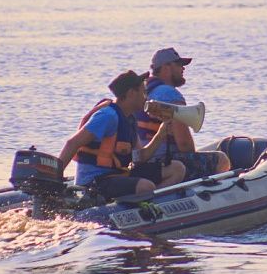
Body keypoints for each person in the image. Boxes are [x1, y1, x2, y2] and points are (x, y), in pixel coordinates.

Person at [57, 70, 186, 199]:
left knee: (177, 169)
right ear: (131, 93)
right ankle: (145, 200)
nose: (146, 97)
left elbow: (141, 157)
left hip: (119, 174)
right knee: (145, 186)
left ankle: (149, 201)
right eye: (143, 92)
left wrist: (161, 134)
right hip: (95, 181)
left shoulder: (130, 118)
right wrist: (55, 177)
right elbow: (72, 143)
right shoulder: (107, 116)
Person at [135, 47, 231, 181]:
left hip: (142, 160)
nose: (183, 69)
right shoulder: (170, 94)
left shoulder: (141, 92)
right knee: (221, 159)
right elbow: (184, 145)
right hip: (165, 161)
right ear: (166, 68)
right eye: (179, 65)